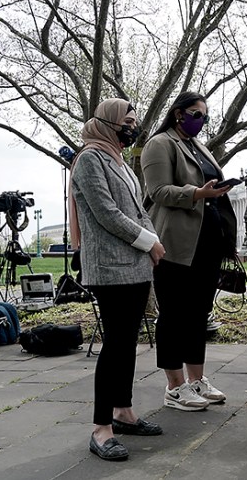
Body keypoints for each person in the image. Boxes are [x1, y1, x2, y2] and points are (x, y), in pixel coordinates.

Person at [69, 98, 165, 461]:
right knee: (114, 346)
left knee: (126, 343)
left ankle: (123, 412)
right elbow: (106, 213)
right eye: (127, 121)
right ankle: (101, 428)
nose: (132, 127)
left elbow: (138, 209)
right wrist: (149, 242)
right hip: (111, 267)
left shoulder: (117, 159)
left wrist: (154, 242)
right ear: (107, 122)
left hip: (135, 264)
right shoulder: (90, 159)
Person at [141, 91, 235, 411]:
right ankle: (175, 386)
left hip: (206, 243)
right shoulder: (160, 144)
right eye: (195, 114)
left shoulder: (198, 146)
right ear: (178, 113)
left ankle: (197, 380)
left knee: (198, 314)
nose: (200, 121)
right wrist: (197, 192)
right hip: (174, 244)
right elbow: (158, 190)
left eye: (204, 117)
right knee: (173, 315)